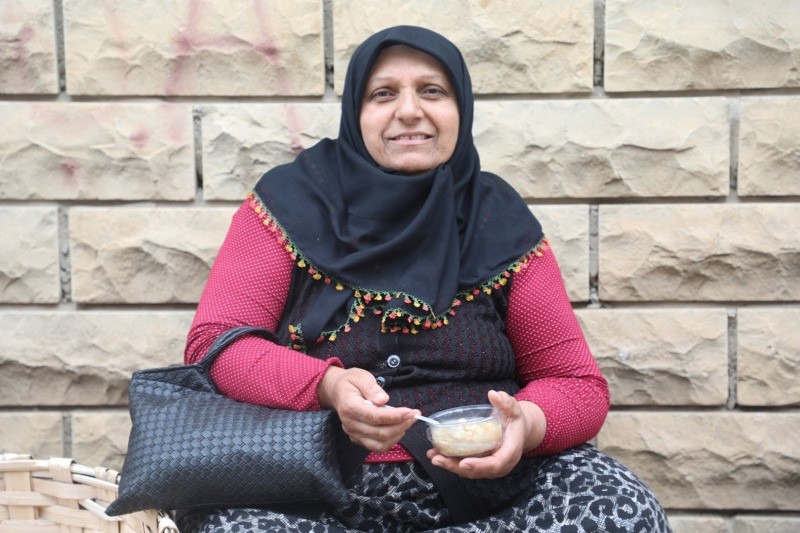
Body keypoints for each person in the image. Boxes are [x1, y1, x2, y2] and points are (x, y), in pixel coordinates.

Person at [180, 25, 671, 533]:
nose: (410, 111)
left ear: (462, 109)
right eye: (383, 94)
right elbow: (215, 344)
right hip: (313, 488)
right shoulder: (289, 203)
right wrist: (329, 386)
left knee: (625, 511)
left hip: (493, 496)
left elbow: (577, 384)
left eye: (432, 91)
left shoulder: (497, 219)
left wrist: (524, 425)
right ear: (355, 112)